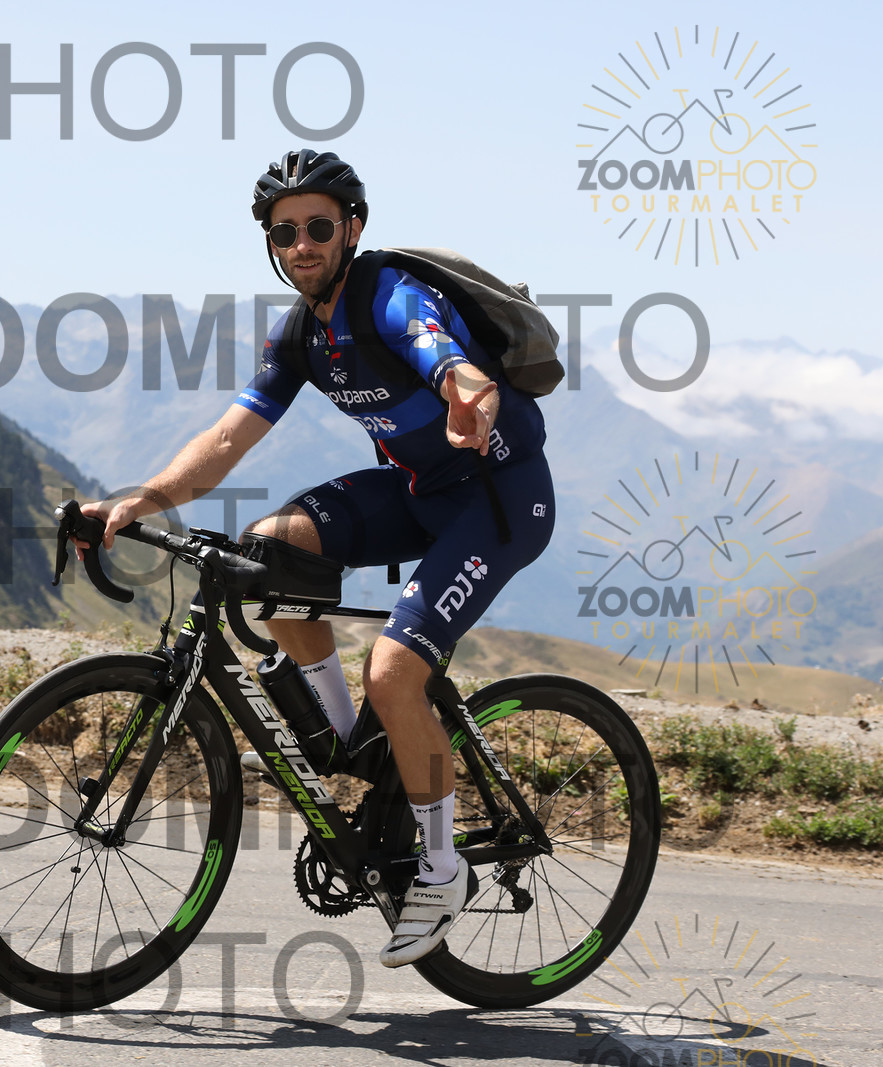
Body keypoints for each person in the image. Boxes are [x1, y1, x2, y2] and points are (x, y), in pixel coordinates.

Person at [79, 149, 556, 967]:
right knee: (271, 549)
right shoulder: (301, 334)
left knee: (394, 672)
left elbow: (439, 351)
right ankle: (346, 741)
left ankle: (442, 871)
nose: (301, 244)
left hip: (496, 500)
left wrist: (466, 389)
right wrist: (137, 502)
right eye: (284, 232)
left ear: (353, 229)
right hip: (417, 489)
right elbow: (226, 440)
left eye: (318, 228)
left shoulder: (390, 295)